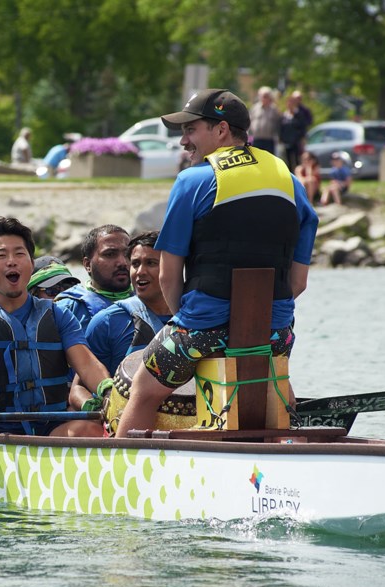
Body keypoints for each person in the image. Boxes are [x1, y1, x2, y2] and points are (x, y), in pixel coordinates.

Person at [115, 88, 318, 438]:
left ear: (221, 130)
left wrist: (191, 324)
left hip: (203, 329)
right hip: (275, 333)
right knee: (276, 384)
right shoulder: (290, 180)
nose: (183, 141)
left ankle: (123, 477)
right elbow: (298, 283)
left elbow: (167, 273)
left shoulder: (193, 180)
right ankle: (288, 450)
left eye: (191, 130)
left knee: (144, 390)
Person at [0, 216, 112, 437]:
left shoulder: (58, 314)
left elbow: (87, 364)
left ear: (31, 265)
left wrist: (109, 391)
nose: (11, 261)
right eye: (1, 255)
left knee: (90, 428)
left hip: (54, 429)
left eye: (20, 254)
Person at [82, 231, 172, 376]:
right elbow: (78, 388)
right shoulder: (106, 322)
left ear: (174, 267)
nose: (140, 272)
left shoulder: (197, 319)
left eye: (151, 263)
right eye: (135, 264)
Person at [54, 225, 132, 332]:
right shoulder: (66, 309)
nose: (123, 262)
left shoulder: (151, 300)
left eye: (128, 254)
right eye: (110, 254)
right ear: (87, 264)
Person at [279, 91, 313, 170]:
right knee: (288, 161)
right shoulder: (284, 116)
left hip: (296, 142)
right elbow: (281, 128)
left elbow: (303, 127)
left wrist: (302, 138)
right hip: (287, 142)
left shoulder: (300, 115)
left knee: (297, 161)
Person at [248, 86, 281, 155]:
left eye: (266, 96)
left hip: (269, 140)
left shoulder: (274, 109)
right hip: (256, 139)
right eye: (263, 96)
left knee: (269, 160)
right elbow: (249, 122)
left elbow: (278, 123)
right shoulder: (255, 108)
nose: (264, 98)